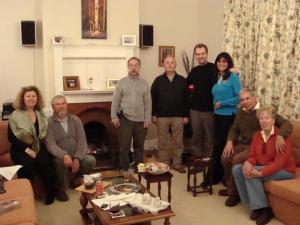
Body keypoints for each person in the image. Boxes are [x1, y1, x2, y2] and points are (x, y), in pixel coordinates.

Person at [220, 88, 292, 206]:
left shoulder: (263, 112)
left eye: (247, 98)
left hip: (255, 145)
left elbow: (286, 123)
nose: (245, 102)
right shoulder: (241, 112)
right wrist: (229, 141)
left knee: (237, 159)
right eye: (242, 100)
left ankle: (234, 194)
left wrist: (281, 136)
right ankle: (232, 187)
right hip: (243, 144)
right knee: (225, 158)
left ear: (254, 98)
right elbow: (234, 128)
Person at [232, 106, 296, 225]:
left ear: (273, 120)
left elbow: (279, 163)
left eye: (267, 118)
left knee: (252, 173)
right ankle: (255, 206)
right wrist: (248, 162)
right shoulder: (257, 135)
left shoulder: (281, 137)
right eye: (261, 118)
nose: (264, 121)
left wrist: (260, 172)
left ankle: (265, 210)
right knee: (237, 169)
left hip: (284, 170)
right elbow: (252, 155)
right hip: (265, 166)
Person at [8, 86, 57, 205]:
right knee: (27, 165)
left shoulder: (40, 114)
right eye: (28, 96)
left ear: (37, 99)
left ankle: (51, 193)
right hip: (20, 148)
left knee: (46, 162)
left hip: (37, 146)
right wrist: (27, 150)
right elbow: (11, 138)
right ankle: (26, 196)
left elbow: (42, 135)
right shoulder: (15, 115)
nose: (31, 98)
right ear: (23, 99)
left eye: (33, 96)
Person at [45, 95, 96, 202]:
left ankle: (76, 179)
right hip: (59, 156)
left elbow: (82, 141)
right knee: (59, 163)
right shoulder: (49, 123)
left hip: (75, 154)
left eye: (63, 103)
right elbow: (50, 144)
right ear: (53, 107)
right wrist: (64, 155)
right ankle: (61, 189)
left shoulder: (76, 120)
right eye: (57, 104)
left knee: (91, 160)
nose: (61, 106)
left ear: (67, 105)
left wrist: (77, 158)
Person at [111, 57, 151, 171]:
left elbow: (148, 103)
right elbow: (115, 101)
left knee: (139, 147)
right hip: (125, 119)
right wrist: (114, 116)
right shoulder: (121, 83)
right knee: (124, 147)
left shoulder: (144, 84)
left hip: (141, 121)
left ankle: (139, 169)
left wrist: (147, 119)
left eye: (136, 65)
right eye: (131, 65)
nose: (134, 67)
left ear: (139, 67)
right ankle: (124, 169)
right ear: (128, 67)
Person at [151, 55, 189, 173]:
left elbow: (187, 99)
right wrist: (153, 114)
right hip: (162, 116)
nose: (170, 64)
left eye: (172, 62)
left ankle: (177, 164)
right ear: (164, 64)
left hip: (178, 116)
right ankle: (164, 164)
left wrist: (186, 115)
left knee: (178, 142)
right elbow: (153, 98)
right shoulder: (158, 80)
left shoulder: (182, 80)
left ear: (175, 64)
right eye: (167, 62)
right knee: (163, 142)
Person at [211, 52, 241, 184]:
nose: (221, 63)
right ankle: (220, 175)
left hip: (228, 116)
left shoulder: (233, 77)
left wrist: (222, 103)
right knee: (218, 145)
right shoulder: (219, 76)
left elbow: (239, 97)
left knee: (220, 146)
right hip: (217, 116)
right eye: (219, 61)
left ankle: (214, 177)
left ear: (228, 63)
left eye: (224, 61)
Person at [186, 43, 217, 158]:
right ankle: (198, 159)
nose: (200, 56)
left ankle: (208, 161)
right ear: (195, 55)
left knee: (210, 137)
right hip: (195, 111)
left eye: (202, 54)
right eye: (198, 54)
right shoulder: (193, 71)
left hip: (210, 110)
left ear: (207, 54)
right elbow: (186, 86)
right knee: (196, 137)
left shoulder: (214, 68)